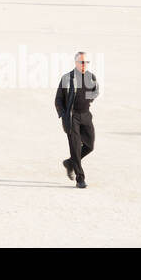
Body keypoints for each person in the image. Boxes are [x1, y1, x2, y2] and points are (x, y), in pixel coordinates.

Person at [55, 52, 99, 189]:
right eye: (81, 62)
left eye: (86, 62)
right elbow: (58, 100)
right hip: (72, 117)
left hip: (85, 115)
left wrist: (89, 101)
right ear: (76, 63)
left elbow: (95, 91)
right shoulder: (67, 78)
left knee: (90, 145)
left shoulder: (91, 77)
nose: (84, 65)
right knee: (75, 147)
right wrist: (64, 115)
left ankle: (69, 163)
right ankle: (80, 179)